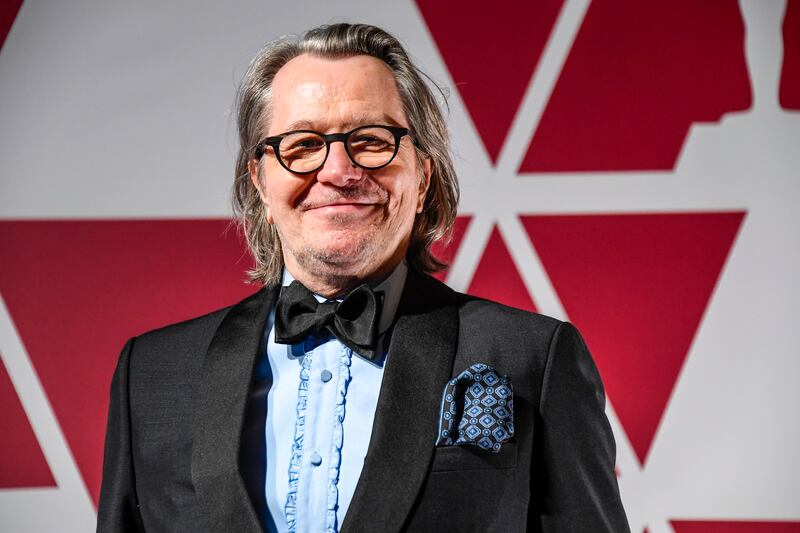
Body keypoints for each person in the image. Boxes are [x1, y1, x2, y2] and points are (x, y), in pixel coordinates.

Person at [97, 23, 629, 533]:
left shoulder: (535, 358)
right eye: (303, 144)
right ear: (260, 180)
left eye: (372, 140)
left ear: (423, 177)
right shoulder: (152, 374)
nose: (338, 171)